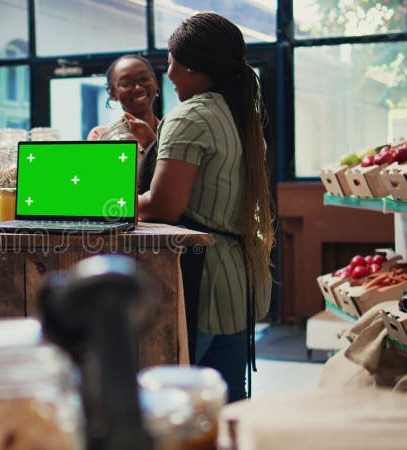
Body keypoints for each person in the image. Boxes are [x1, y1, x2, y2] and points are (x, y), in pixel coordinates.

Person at [137, 12, 275, 402]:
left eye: (171, 62)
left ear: (194, 68)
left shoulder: (191, 117)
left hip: (200, 283)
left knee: (180, 408)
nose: (168, 73)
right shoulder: (238, 114)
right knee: (228, 405)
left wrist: (100, 202)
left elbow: (164, 207)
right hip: (234, 280)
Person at [86, 54, 160, 151]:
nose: (138, 88)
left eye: (144, 79)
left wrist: (151, 142)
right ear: (112, 93)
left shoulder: (173, 132)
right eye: (126, 83)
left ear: (155, 82)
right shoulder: (102, 136)